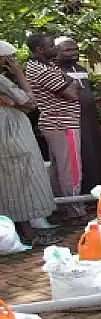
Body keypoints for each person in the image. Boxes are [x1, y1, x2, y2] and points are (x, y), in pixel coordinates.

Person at [0, 41, 59, 246]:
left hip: (8, 135)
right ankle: (29, 233)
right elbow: (31, 102)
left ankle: (25, 231)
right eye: (11, 59)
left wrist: (18, 102)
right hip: (11, 135)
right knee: (20, 182)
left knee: (12, 183)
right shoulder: (2, 81)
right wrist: (19, 74)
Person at [24, 33, 85, 221]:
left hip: (56, 123)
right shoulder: (43, 70)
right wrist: (74, 82)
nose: (55, 48)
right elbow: (72, 93)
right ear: (39, 49)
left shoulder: (45, 66)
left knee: (60, 167)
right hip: (62, 123)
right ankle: (75, 209)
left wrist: (71, 82)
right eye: (51, 45)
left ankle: (62, 207)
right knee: (71, 168)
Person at [54, 37, 101, 191]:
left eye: (75, 49)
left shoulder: (81, 69)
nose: (73, 53)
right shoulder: (55, 71)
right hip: (72, 120)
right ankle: (86, 192)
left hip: (90, 119)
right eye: (67, 50)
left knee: (97, 154)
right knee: (82, 156)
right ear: (57, 52)